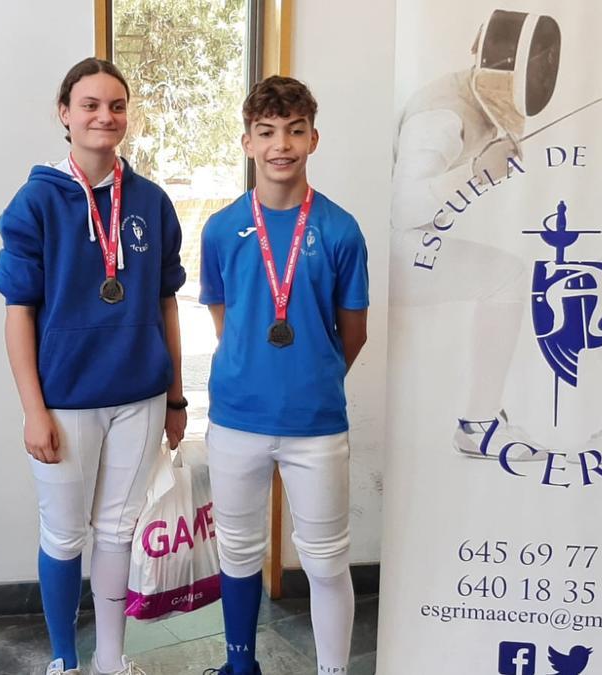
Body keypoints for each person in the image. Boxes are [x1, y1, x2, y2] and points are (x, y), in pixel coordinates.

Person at [0, 57, 187, 675]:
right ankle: (64, 662)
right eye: (91, 105)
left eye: (117, 105)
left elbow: (165, 302)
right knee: (64, 536)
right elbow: (18, 312)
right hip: (65, 400)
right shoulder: (36, 201)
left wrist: (177, 399)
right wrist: (32, 411)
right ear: (65, 114)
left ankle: (111, 659)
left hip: (140, 396)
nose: (106, 116)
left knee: (118, 532)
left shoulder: (151, 201)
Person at [199, 76, 368, 675]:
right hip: (237, 419)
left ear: (314, 138)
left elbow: (353, 331)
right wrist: (259, 369)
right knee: (238, 552)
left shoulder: (342, 229)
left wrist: (312, 375)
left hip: (316, 424)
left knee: (325, 561)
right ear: (247, 141)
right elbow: (227, 321)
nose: (281, 145)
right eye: (267, 132)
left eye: (295, 131)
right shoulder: (220, 229)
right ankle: (240, 665)